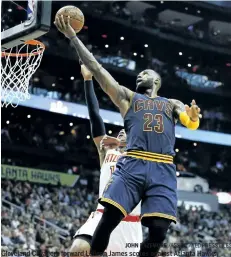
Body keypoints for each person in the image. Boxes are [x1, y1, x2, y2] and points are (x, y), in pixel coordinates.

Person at [54, 16, 201, 257]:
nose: (141, 73)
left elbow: (190, 122)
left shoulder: (171, 102)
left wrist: (194, 118)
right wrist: (73, 37)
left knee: (159, 231)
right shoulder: (127, 97)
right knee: (107, 220)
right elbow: (98, 69)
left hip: (162, 166)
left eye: (146, 71)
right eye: (139, 73)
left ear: (157, 81)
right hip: (133, 162)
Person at [69, 64, 142, 257]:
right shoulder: (108, 151)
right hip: (102, 216)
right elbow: (95, 117)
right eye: (122, 130)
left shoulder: (144, 157)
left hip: (129, 224)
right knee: (78, 249)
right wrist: (87, 80)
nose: (122, 131)